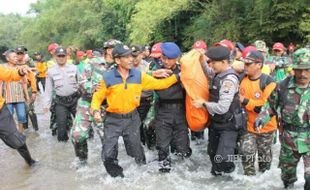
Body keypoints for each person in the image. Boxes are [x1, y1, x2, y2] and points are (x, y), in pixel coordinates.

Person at [91, 44, 179, 178]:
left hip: (132, 119)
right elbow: (97, 97)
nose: (131, 59)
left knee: (136, 152)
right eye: (126, 57)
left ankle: (142, 176)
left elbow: (160, 84)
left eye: (131, 56)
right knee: (108, 154)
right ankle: (118, 180)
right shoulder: (108, 77)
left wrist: (177, 76)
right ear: (117, 60)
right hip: (112, 120)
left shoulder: (139, 75)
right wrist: (96, 111)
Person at [255, 48, 310, 189]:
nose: (302, 74)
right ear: (293, 69)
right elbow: (270, 107)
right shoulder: (282, 86)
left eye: (306, 69)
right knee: (287, 177)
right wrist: (261, 118)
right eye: (299, 70)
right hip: (289, 139)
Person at [193, 46, 244, 175]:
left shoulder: (229, 80)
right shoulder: (217, 73)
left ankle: (232, 177)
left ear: (224, 62)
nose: (211, 65)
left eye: (213, 63)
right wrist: (200, 58)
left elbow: (222, 108)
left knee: (223, 158)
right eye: (210, 62)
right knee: (212, 155)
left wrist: (203, 104)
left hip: (229, 124)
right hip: (216, 123)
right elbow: (207, 70)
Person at [153, 42, 192, 173]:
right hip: (163, 111)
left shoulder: (184, 70)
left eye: (170, 59)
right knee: (163, 147)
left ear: (176, 59)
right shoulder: (156, 71)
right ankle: (164, 176)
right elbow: (162, 92)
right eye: (164, 58)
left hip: (181, 111)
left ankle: (184, 175)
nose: (166, 61)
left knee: (183, 148)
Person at [239, 50, 277, 175]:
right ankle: (249, 181)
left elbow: (264, 108)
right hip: (248, 127)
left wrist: (244, 100)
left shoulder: (269, 82)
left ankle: (263, 182)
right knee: (246, 153)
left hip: (266, 128)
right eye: (244, 64)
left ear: (259, 65)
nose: (245, 67)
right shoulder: (241, 79)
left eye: (248, 64)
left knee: (264, 163)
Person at [71, 51, 109, 165]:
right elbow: (81, 81)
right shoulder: (93, 63)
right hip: (87, 102)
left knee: (106, 138)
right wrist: (92, 87)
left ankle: (108, 164)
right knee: (78, 135)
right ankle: (82, 163)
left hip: (106, 105)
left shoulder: (123, 65)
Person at [0, 63, 36, 166]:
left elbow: (10, 74)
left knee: (16, 139)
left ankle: (30, 162)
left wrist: (20, 72)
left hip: (1, 113)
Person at [44, 46, 79, 142]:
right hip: (60, 102)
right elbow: (48, 90)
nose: (61, 58)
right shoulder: (50, 71)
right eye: (59, 56)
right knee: (61, 127)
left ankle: (87, 144)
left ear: (66, 56)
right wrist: (46, 104)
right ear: (55, 56)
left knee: (82, 123)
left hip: (75, 99)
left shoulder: (74, 68)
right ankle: (63, 149)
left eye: (63, 56)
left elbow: (81, 83)